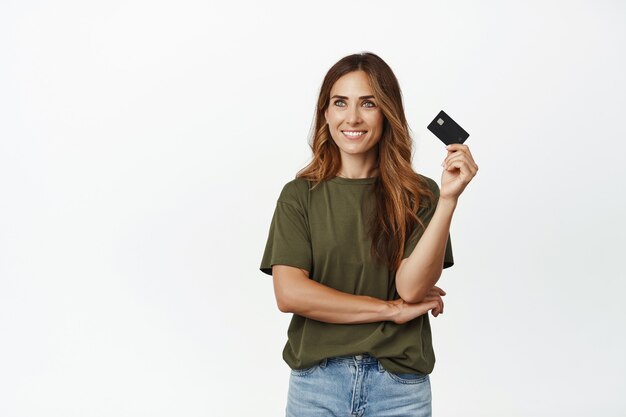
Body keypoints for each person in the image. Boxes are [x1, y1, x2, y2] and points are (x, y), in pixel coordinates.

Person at [259, 51, 478, 417]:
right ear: (325, 113)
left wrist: (448, 200)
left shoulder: (421, 195)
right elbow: (291, 293)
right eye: (340, 102)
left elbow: (411, 288)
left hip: (398, 388)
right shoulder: (299, 196)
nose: (353, 117)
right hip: (318, 383)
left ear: (386, 113)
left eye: (369, 103)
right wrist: (389, 310)